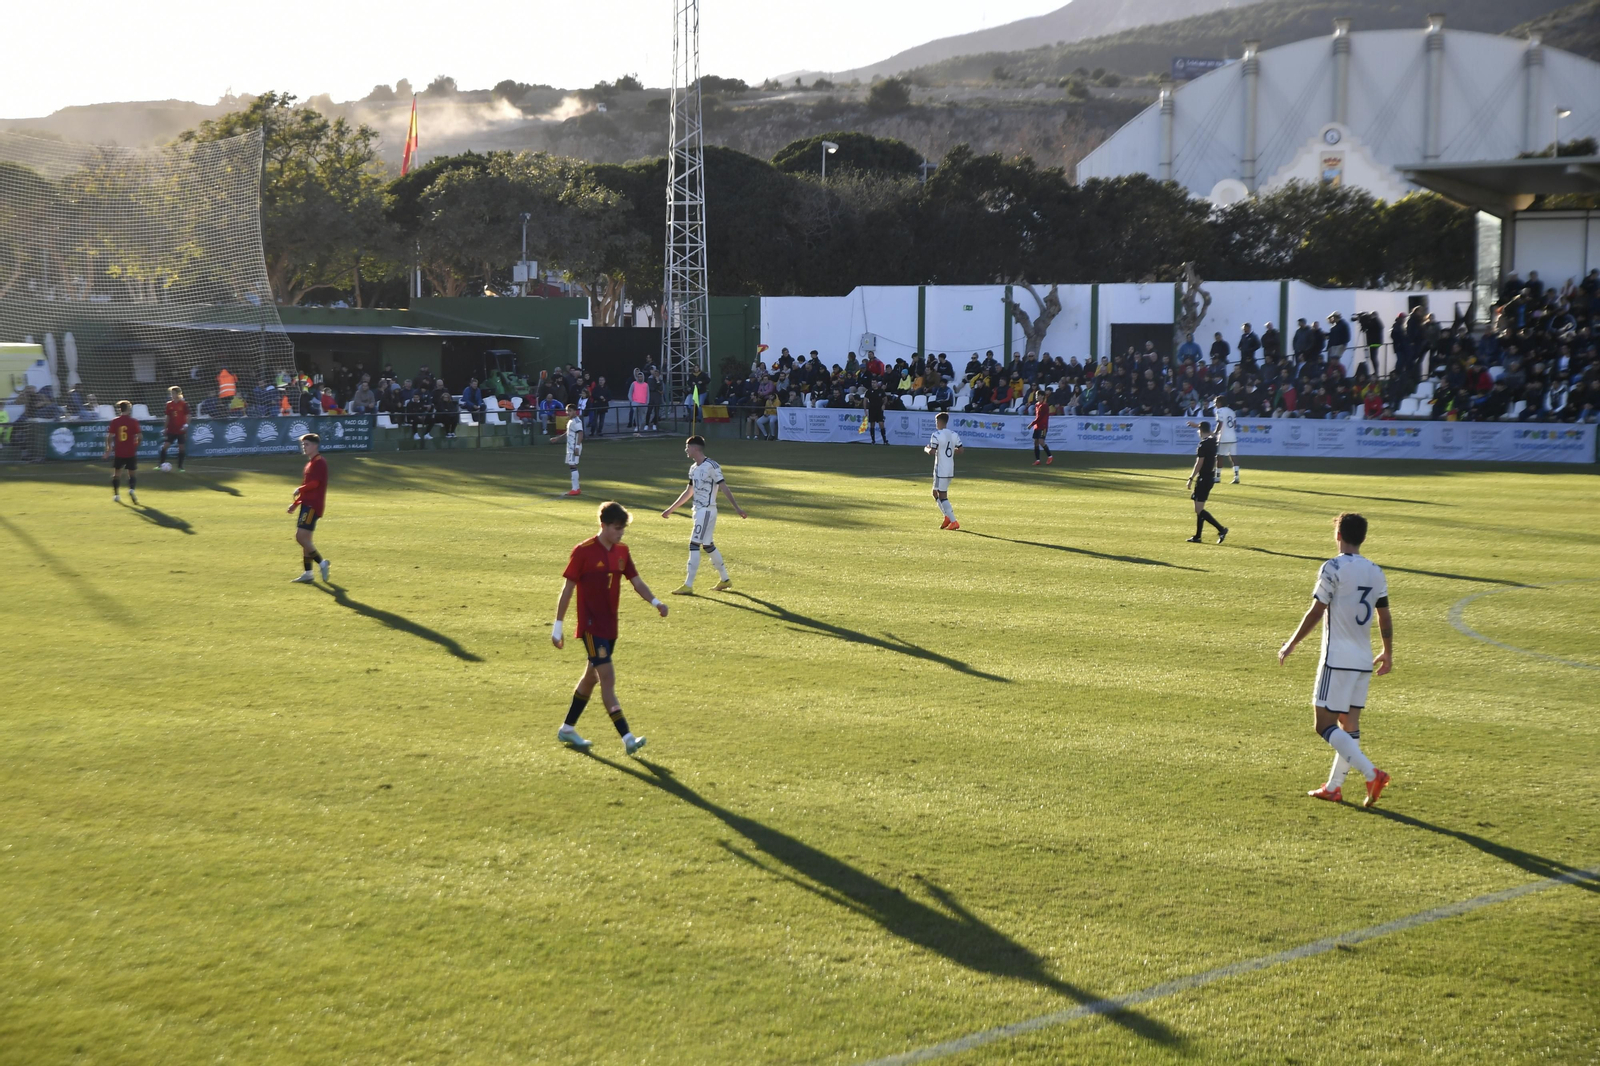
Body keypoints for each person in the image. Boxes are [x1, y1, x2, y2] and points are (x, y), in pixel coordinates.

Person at [1278, 512, 1393, 807]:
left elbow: (1317, 611)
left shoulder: (1333, 567)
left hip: (1337, 659)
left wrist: (1291, 644)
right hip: (1364, 659)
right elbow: (1384, 614)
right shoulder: (1376, 571)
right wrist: (1388, 651)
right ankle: (1334, 787)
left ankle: (1372, 773)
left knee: (1323, 724)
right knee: (1349, 725)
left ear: (1338, 535)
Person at [552, 501, 666, 755]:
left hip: (610, 627)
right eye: (616, 528)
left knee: (590, 678)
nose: (620, 533)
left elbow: (636, 580)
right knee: (608, 679)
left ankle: (567, 729)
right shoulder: (583, 551)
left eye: (623, 529)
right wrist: (557, 626)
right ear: (603, 525)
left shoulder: (622, 551)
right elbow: (568, 589)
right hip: (591, 628)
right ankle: (627, 737)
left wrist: (656, 602)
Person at [661, 435, 747, 595]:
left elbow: (724, 487)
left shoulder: (712, 466)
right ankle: (725, 580)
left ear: (694, 448)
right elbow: (689, 492)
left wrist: (737, 508)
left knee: (694, 544)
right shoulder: (693, 468)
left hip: (707, 510)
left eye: (687, 447)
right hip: (698, 511)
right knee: (707, 545)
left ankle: (688, 584)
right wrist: (670, 509)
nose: (685, 450)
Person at [287, 433, 330, 584]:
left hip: (313, 506)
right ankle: (308, 573)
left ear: (315, 446)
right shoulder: (310, 464)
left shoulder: (319, 463)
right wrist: (296, 503)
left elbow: (315, 484)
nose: (304, 447)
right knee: (306, 540)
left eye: (307, 445)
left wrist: (300, 488)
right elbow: (308, 489)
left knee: (300, 537)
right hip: (307, 504)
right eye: (303, 445)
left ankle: (322, 562)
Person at [1184, 421, 1228, 544]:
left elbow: (1199, 463)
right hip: (1210, 477)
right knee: (1200, 509)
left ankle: (1221, 529)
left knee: (1199, 510)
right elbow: (1212, 433)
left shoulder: (1203, 444)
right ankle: (1198, 536)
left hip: (1203, 478)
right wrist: (1198, 425)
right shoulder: (1213, 441)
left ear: (1201, 431)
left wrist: (1191, 478)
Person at [925, 411, 963, 530]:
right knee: (935, 492)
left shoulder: (936, 435)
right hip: (950, 468)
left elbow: (932, 451)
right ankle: (947, 516)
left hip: (940, 468)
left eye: (936, 421)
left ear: (940, 422)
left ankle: (953, 521)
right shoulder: (954, 434)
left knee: (942, 495)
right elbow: (961, 450)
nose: (936, 424)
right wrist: (951, 451)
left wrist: (926, 449)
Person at [104, 400, 142, 504]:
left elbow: (109, 436)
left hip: (119, 452)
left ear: (120, 409)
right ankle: (131, 489)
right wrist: (136, 445)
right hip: (130, 451)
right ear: (128, 409)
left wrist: (109, 448)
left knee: (117, 474)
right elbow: (140, 436)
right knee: (132, 474)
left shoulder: (115, 421)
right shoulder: (133, 421)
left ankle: (116, 495)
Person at [554, 402, 583, 496]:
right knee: (572, 465)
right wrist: (558, 438)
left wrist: (577, 447)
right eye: (567, 411)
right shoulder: (571, 421)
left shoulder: (577, 421)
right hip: (570, 446)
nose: (568, 413)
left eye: (570, 411)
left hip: (574, 446)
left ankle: (575, 489)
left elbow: (580, 433)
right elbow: (569, 432)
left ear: (575, 411)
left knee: (572, 465)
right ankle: (576, 488)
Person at [159, 386, 188, 472]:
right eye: (171, 393)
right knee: (164, 447)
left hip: (180, 430)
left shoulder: (184, 404)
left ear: (178, 394)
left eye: (174, 393)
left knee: (181, 448)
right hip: (171, 430)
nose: (172, 395)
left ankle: (180, 466)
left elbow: (188, 415)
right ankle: (160, 464)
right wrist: (165, 428)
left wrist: (186, 425)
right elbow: (167, 417)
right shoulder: (169, 404)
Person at [1028, 392, 1053, 466]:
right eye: (1036, 395)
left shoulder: (1044, 406)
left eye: (1038, 395)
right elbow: (1037, 417)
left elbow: (1039, 418)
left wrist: (1031, 424)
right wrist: (1034, 425)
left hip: (1043, 426)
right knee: (1036, 442)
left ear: (1042, 396)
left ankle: (1050, 456)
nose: (1036, 397)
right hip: (1037, 426)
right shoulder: (1037, 404)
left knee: (1041, 441)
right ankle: (1037, 460)